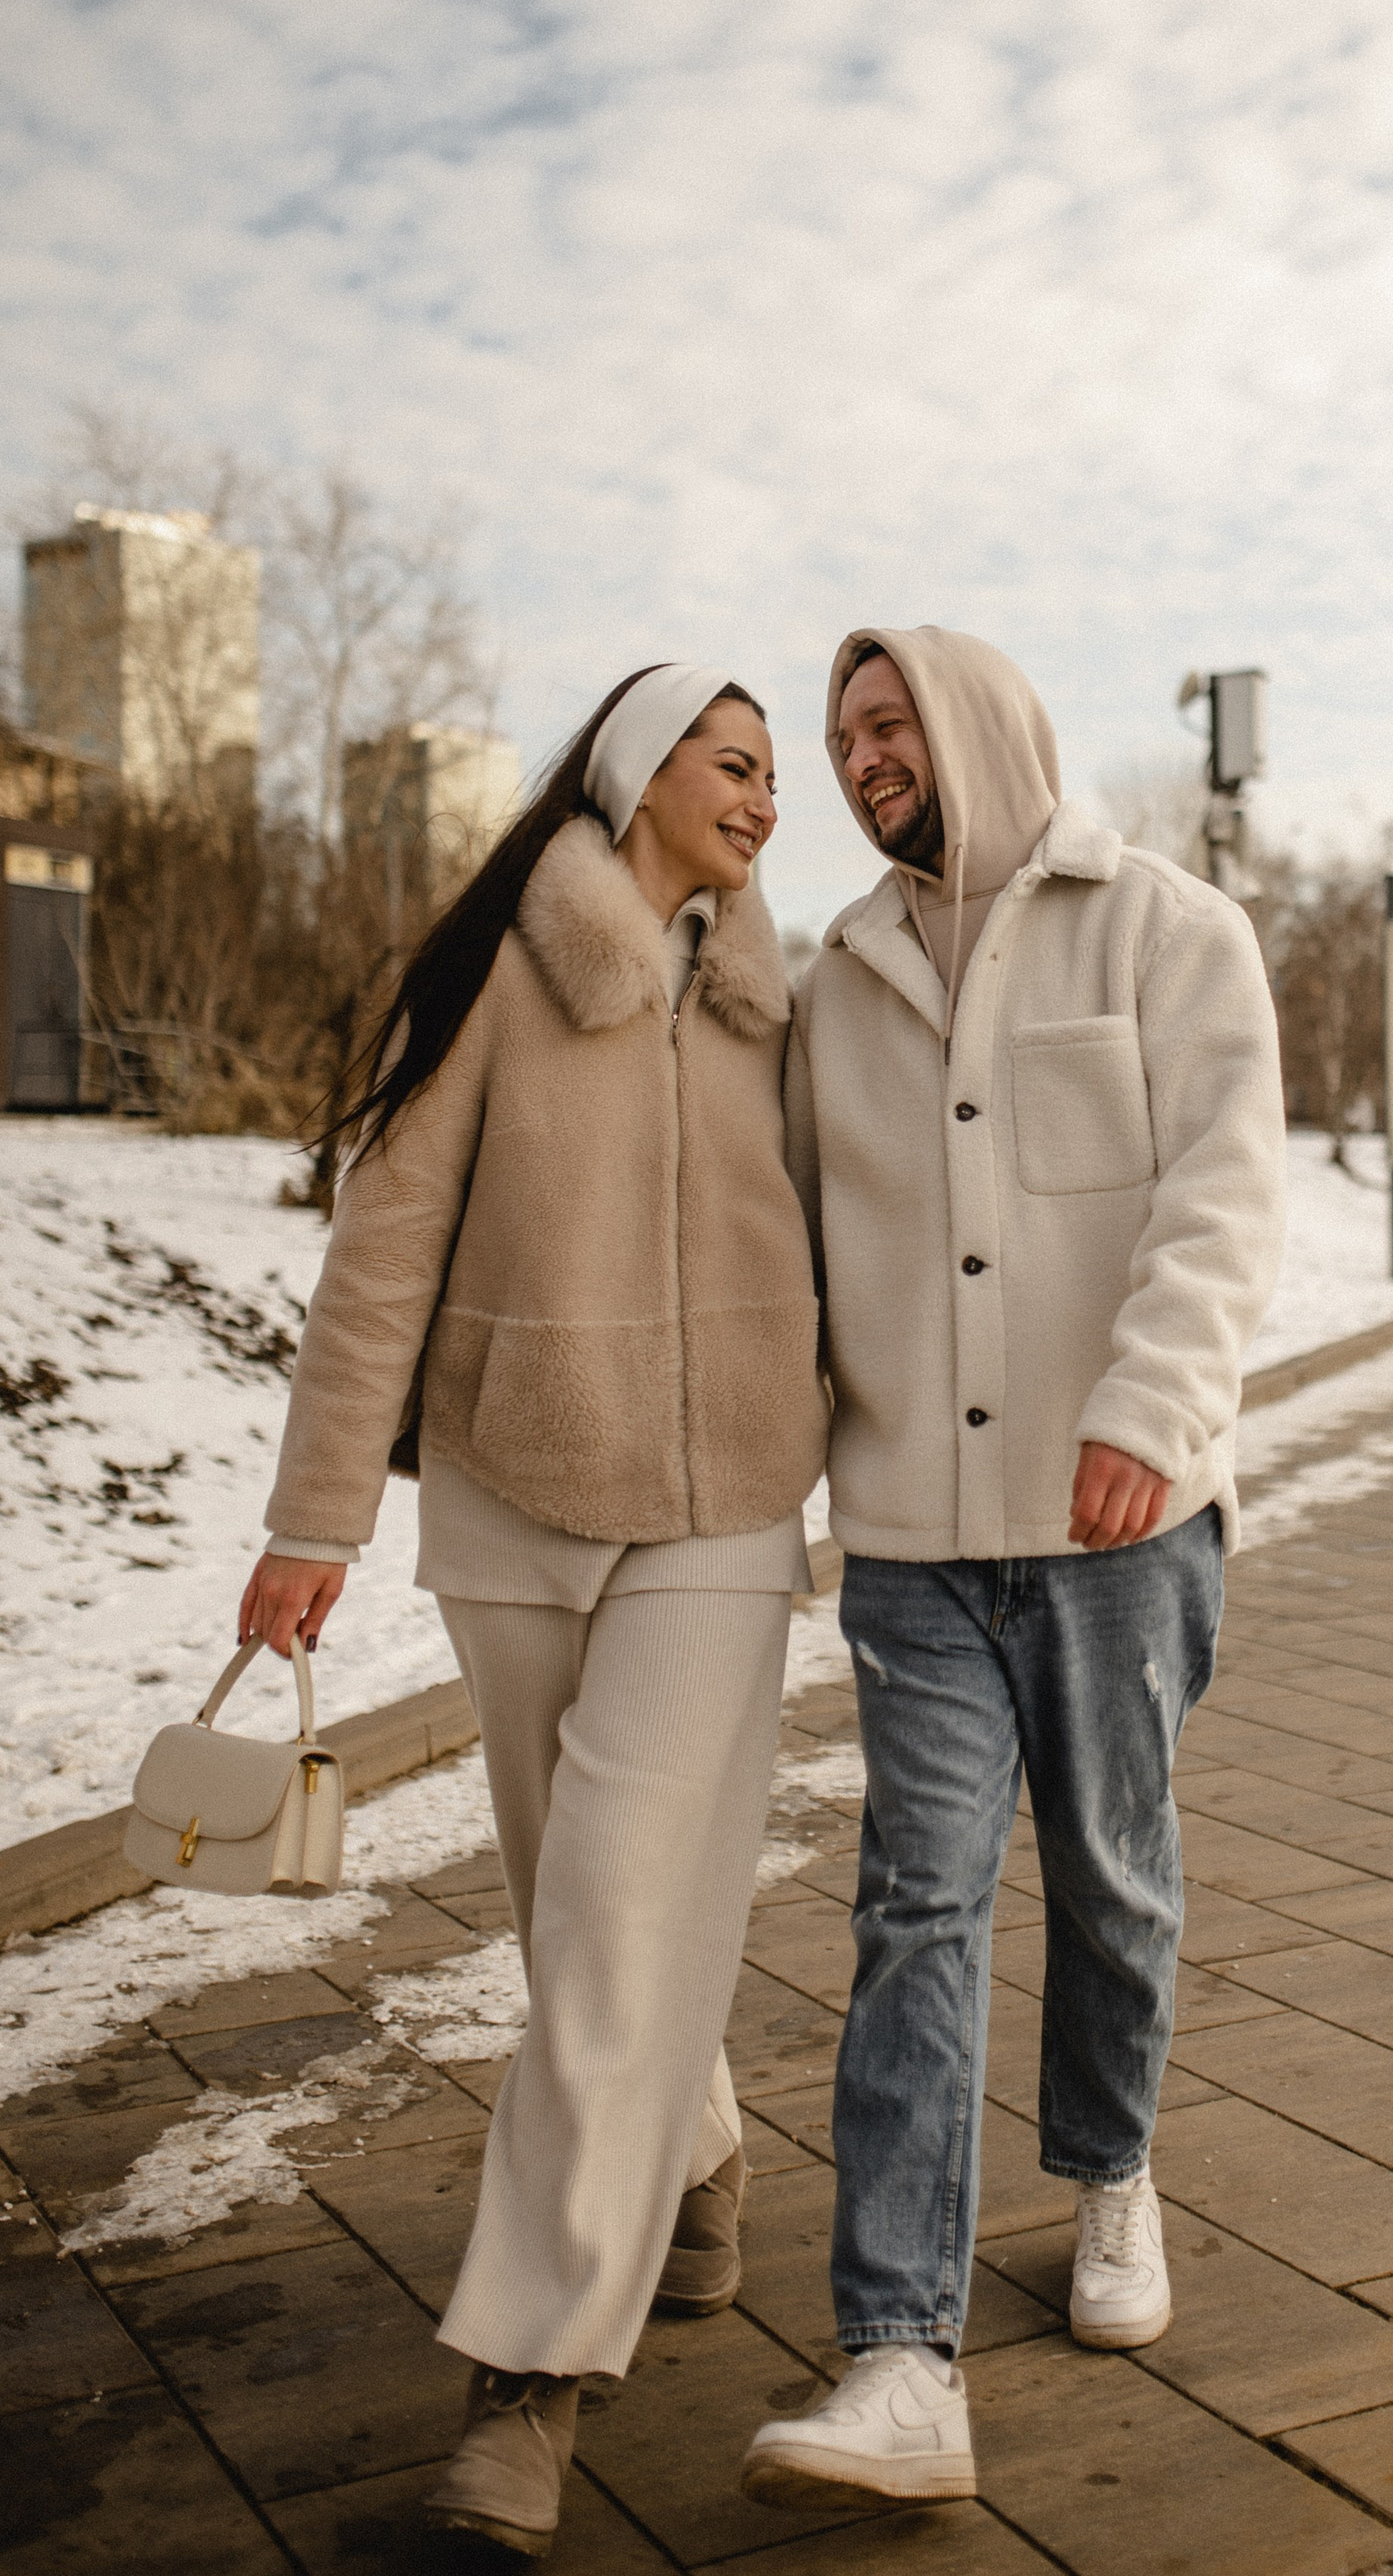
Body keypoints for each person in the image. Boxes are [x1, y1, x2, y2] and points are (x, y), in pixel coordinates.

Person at [240, 664, 826, 2563]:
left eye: (775, 775)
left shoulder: (775, 1002)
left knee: (616, 1910)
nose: (763, 798)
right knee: (583, 1906)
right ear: (631, 770)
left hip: (728, 1507)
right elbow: (384, 1238)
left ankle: (525, 2385)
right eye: (734, 764)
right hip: (513, 1503)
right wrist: (317, 1516)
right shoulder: (505, 961)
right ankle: (705, 2145)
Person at [744, 627, 1285, 2513]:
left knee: (1114, 1882)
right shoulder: (839, 973)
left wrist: (1148, 1405)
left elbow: (1224, 1193)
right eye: (835, 736)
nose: (857, 757)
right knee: (915, 1909)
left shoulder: (1163, 932)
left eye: (884, 723)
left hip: (1121, 1525)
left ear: (970, 724)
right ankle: (898, 2352)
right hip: (912, 1543)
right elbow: (791, 1244)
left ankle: (1110, 2174)